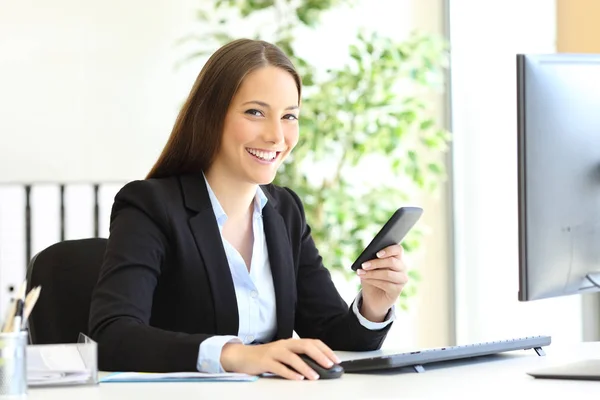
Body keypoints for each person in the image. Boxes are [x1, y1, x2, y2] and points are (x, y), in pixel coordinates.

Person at [88, 38, 409, 381]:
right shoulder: (150, 206)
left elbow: (332, 335)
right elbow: (112, 336)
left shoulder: (285, 211)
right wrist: (237, 356)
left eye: (289, 116)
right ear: (212, 116)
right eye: (255, 112)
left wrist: (373, 305)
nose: (276, 136)